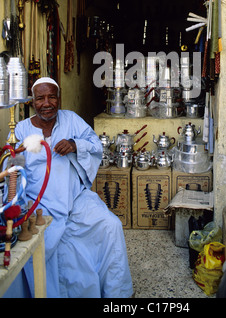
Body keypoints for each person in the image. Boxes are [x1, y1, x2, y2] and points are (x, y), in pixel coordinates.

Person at [5, 77, 133, 298]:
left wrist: (75, 145)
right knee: (40, 243)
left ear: (59, 97)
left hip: (75, 197)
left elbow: (95, 146)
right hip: (40, 202)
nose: (47, 103)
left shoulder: (72, 120)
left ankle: (117, 294)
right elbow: (13, 173)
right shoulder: (22, 130)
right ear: (32, 102)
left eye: (52, 97)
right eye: (40, 98)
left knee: (110, 225)